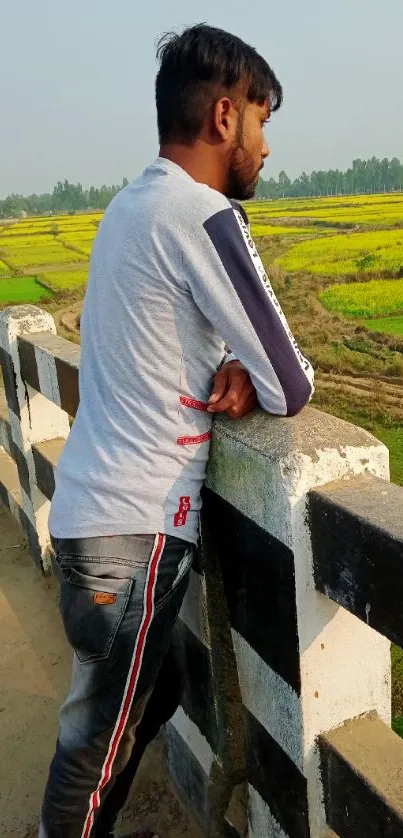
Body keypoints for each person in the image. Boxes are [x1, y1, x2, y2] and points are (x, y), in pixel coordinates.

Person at [39, 23, 314, 838]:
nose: (266, 148)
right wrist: (250, 368)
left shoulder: (132, 206)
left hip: (93, 518)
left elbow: (166, 335)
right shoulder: (203, 217)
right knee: (93, 742)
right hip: (133, 535)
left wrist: (228, 359)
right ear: (225, 118)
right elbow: (291, 382)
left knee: (141, 697)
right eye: (263, 122)